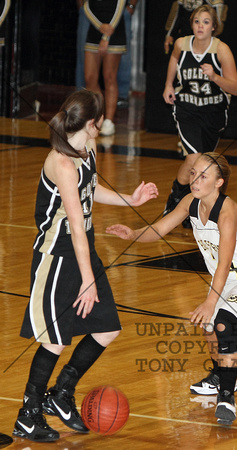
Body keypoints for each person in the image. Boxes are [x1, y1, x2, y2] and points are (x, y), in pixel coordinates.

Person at [13, 90, 158, 443]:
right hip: (57, 255)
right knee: (55, 339)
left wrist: (129, 200)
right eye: (102, 118)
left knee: (107, 328)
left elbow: (88, 192)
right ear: (92, 123)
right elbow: (75, 225)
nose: (105, 123)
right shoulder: (60, 162)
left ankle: (60, 394)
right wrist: (88, 279)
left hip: (81, 248)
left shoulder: (88, 149)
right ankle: (28, 415)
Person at [106, 152, 237, 426]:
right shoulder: (190, 202)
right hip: (229, 278)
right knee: (208, 326)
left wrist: (211, 301)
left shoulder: (228, 212)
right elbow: (161, 228)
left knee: (222, 322)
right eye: (194, 173)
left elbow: (223, 262)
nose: (195, 180)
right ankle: (221, 374)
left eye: (203, 176)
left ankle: (227, 397)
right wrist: (133, 234)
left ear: (219, 183)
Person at [162, 5, 237, 228]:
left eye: (205, 22)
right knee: (194, 158)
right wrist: (168, 84)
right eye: (197, 21)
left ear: (214, 27)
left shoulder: (221, 50)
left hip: (213, 112)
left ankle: (190, 206)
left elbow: (234, 88)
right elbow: (174, 60)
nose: (200, 26)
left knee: (202, 162)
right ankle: (175, 201)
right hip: (186, 107)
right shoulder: (181, 44)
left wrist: (215, 76)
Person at [84, 0, 127, 136]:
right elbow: (86, 6)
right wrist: (99, 26)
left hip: (114, 33)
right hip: (95, 32)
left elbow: (120, 7)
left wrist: (106, 35)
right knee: (89, 78)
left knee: (109, 77)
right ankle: (98, 116)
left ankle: (109, 120)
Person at [117, 0, 139, 108]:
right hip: (94, 10)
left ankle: (122, 95)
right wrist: (83, 7)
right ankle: (82, 94)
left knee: (123, 55)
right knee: (87, 55)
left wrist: (131, 5)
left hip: (121, 10)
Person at [75, 0, 90, 90]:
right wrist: (81, 6)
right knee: (83, 59)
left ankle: (121, 97)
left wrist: (131, 6)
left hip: (112, 11)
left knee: (112, 66)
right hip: (87, 10)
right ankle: (81, 96)